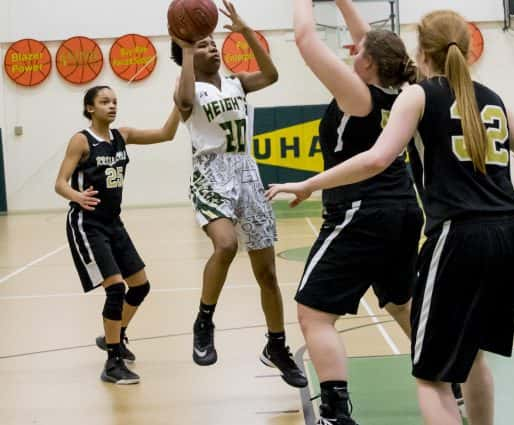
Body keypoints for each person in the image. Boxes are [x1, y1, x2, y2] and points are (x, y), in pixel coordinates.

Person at [267, 10, 514, 425]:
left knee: (431, 379)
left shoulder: (417, 96)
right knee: (471, 357)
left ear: (422, 51)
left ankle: (335, 411)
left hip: (459, 234)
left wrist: (309, 184)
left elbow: (377, 158)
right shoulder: (490, 97)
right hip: (513, 233)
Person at [289, 0, 422, 423]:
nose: (351, 51)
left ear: (367, 65)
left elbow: (305, 38)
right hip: (402, 207)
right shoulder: (398, 89)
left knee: (314, 314)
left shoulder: (357, 95)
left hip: (361, 211)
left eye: (358, 52)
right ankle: (448, 379)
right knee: (401, 302)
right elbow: (377, 43)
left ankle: (334, 412)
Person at [169, 0, 306, 387]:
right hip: (210, 175)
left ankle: (276, 346)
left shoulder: (237, 82)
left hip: (247, 172)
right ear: (188, 55)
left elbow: (272, 74)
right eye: (202, 45)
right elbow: (181, 103)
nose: (211, 47)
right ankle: (203, 321)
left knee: (267, 273)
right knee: (226, 245)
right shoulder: (187, 88)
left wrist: (244, 30)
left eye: (213, 42)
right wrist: (185, 50)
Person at [54, 85, 180, 384]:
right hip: (88, 224)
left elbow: (166, 133)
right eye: (104, 102)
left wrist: (179, 104)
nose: (112, 106)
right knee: (115, 288)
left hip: (114, 223)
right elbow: (59, 183)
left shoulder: (123, 135)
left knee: (140, 286)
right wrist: (76, 196)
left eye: (114, 102)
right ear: (90, 108)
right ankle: (112, 363)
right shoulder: (81, 141)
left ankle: (115, 334)